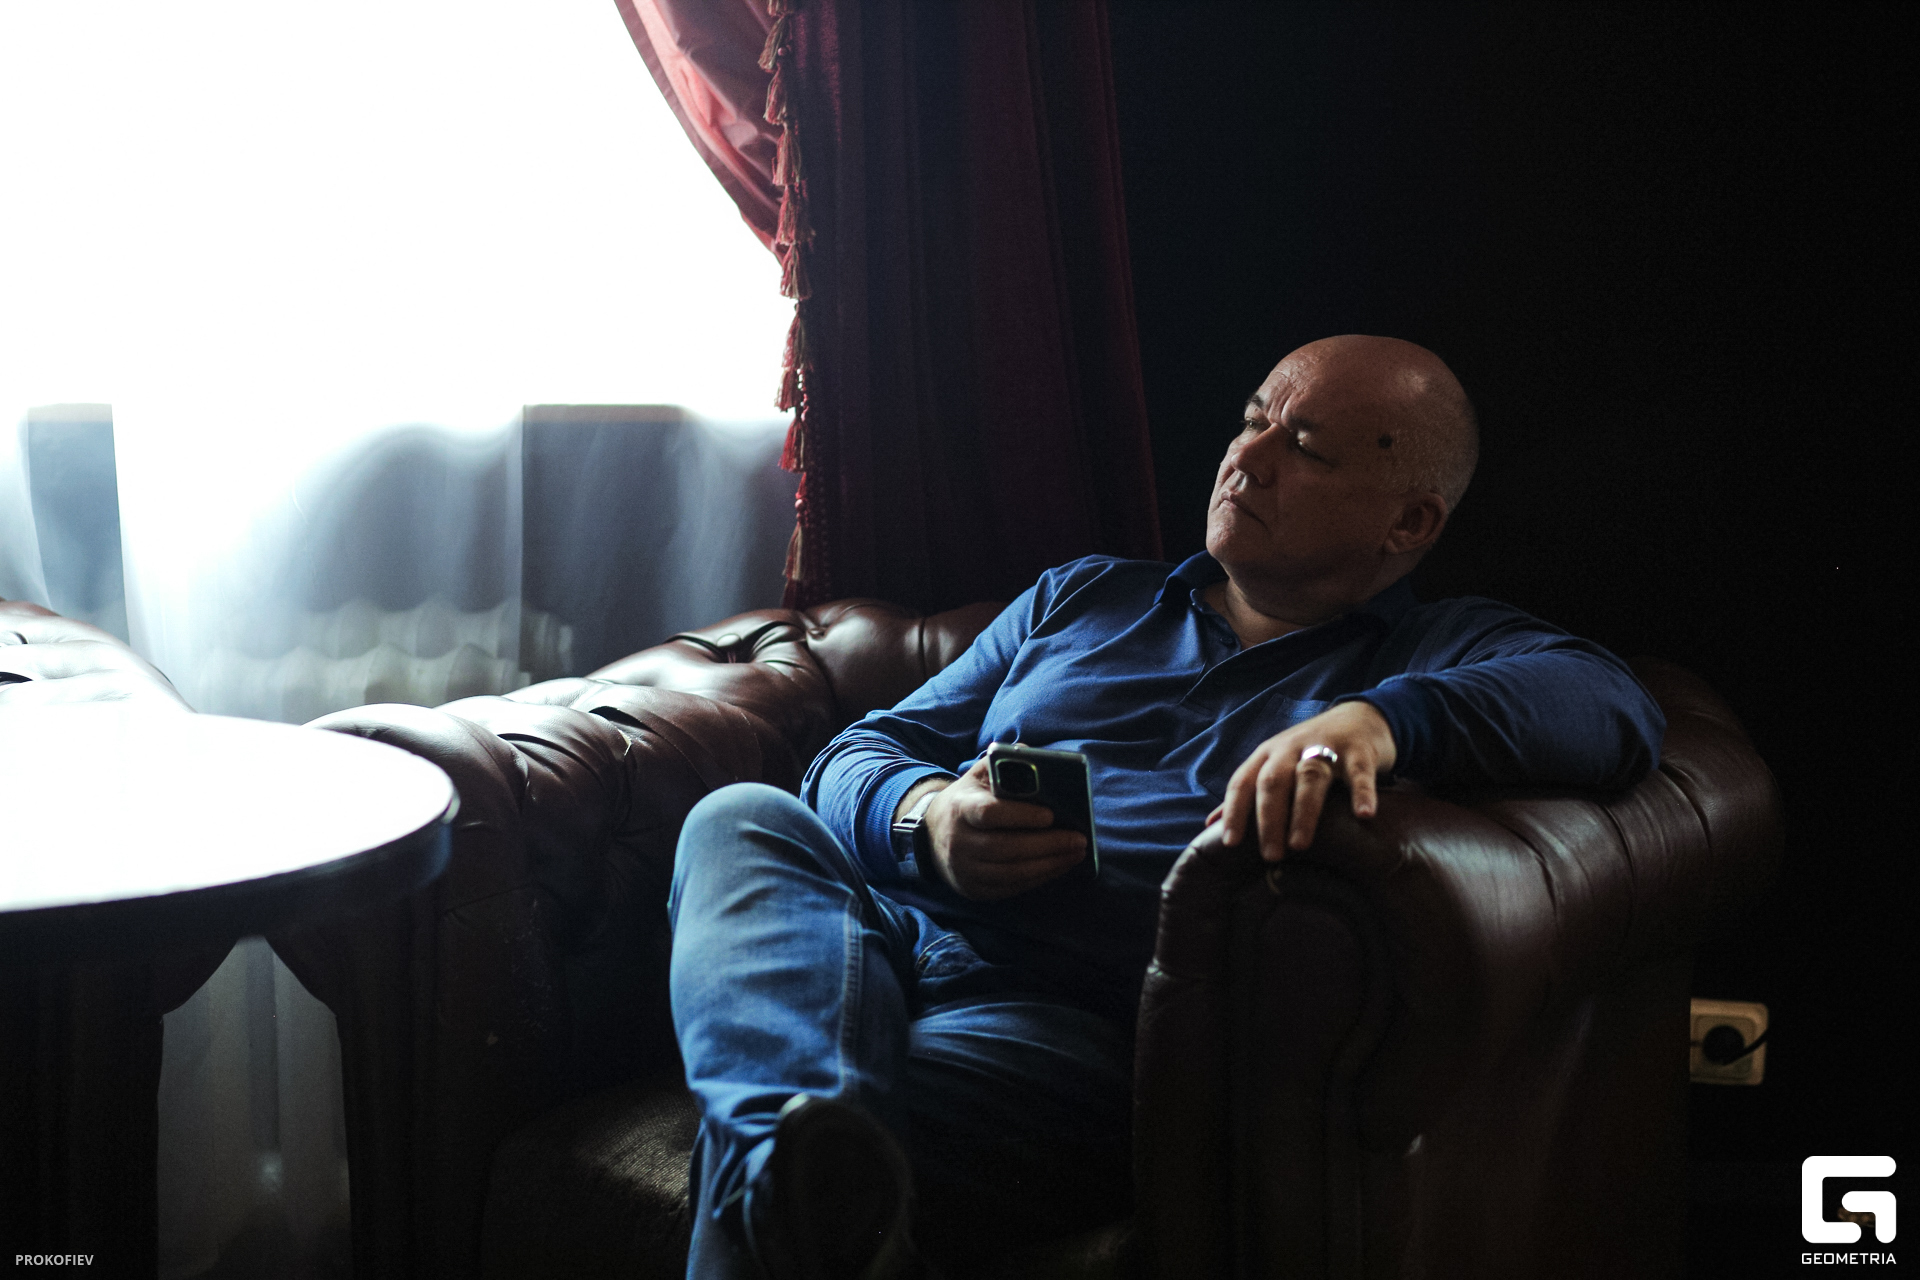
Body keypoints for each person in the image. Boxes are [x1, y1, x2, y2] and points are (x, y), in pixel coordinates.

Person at [666, 335, 1665, 1279]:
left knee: (792, 1138)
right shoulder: (1083, 597)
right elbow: (858, 752)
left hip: (1066, 1025)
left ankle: (788, 1135)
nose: (1247, 459)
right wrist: (924, 816)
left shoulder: (1427, 650)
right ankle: (799, 1138)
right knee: (740, 817)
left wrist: (1378, 720)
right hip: (870, 941)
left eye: (1304, 446)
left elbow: (1615, 706)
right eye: (1253, 420)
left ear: (1408, 524)